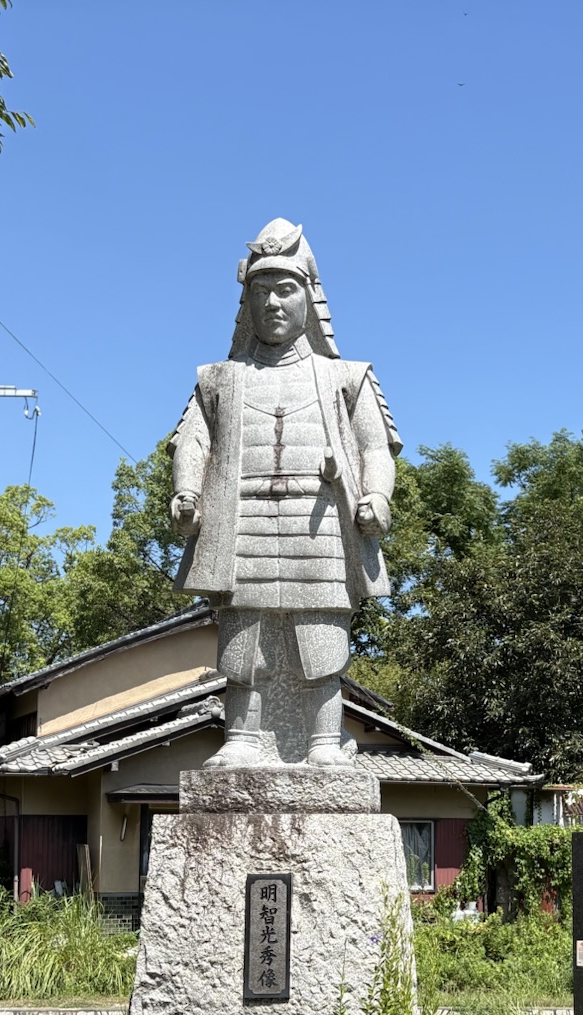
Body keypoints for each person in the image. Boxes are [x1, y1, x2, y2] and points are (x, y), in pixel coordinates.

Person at [167, 219, 400, 767]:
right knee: (243, 641)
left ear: (309, 299)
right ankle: (243, 739)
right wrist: (186, 493)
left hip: (318, 526)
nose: (272, 302)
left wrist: (377, 499)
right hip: (241, 522)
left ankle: (323, 740)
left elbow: (376, 448)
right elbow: (190, 443)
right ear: (245, 301)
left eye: (285, 289)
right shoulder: (217, 380)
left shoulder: (347, 376)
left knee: (319, 634)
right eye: (260, 290)